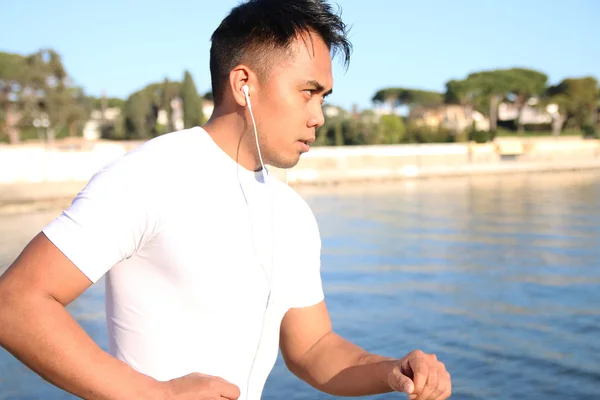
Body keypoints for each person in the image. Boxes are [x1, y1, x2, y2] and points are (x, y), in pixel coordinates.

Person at [0, 0, 452, 399]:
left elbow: (314, 350)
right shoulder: (150, 175)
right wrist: (150, 394)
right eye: (308, 92)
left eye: (324, 97)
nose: (319, 116)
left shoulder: (290, 212)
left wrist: (390, 371)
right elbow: (16, 302)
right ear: (244, 85)